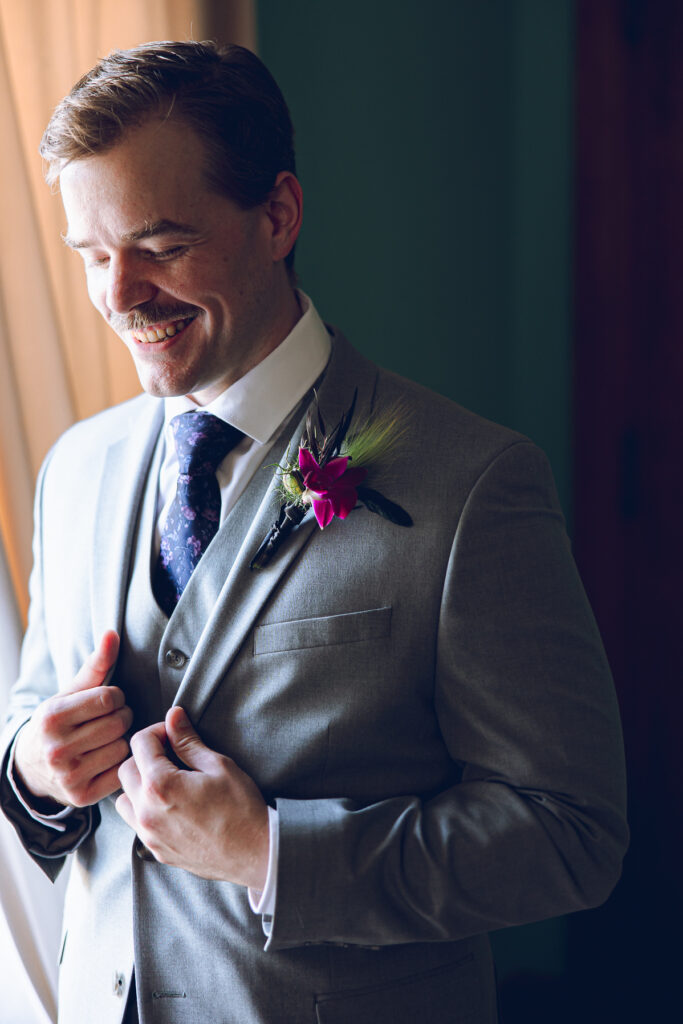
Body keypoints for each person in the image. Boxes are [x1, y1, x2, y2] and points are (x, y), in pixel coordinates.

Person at [0, 41, 627, 1024]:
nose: (118, 293)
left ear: (277, 215)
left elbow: (568, 835)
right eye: (91, 253)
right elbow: (32, 717)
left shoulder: (472, 483)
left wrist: (272, 854)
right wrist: (35, 769)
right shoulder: (73, 469)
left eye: (160, 245)